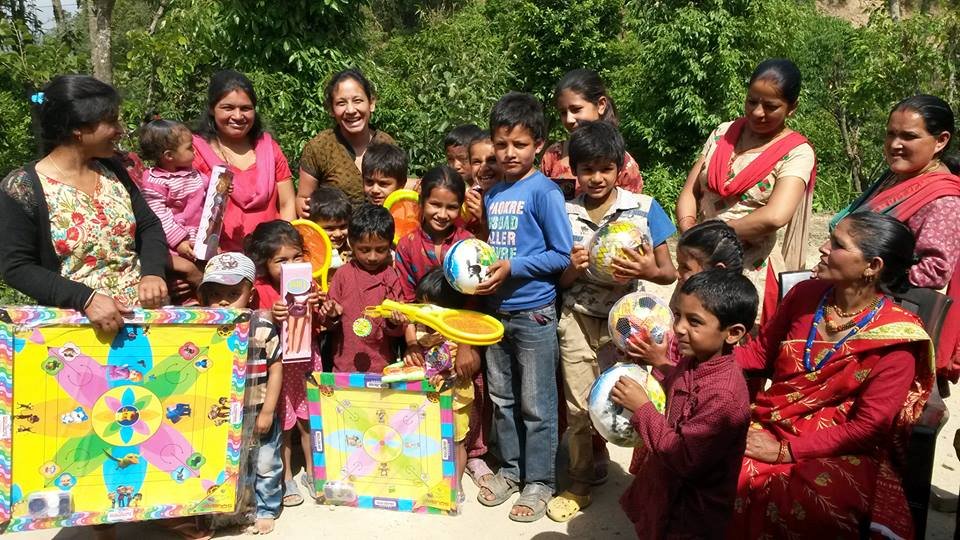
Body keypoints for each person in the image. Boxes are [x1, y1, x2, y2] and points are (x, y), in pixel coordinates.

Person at [729, 212, 934, 539]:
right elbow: (758, 354)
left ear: (873, 266)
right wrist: (698, 356)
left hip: (840, 448)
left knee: (811, 504)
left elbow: (868, 429)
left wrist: (784, 452)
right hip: (772, 419)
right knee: (706, 454)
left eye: (838, 244)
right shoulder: (806, 296)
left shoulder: (897, 339)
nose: (823, 248)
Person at [548, 120, 676, 523]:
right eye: (588, 169)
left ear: (620, 167)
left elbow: (668, 272)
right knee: (578, 405)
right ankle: (581, 481)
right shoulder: (563, 211)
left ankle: (647, 477)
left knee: (634, 399)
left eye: (605, 168)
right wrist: (571, 268)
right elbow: (559, 278)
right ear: (575, 170)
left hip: (627, 323)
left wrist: (645, 268)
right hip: (577, 319)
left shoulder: (644, 208)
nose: (596, 177)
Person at [0, 75, 168, 333]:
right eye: (111, 121)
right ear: (78, 128)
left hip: (143, 325)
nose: (120, 130)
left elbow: (149, 226)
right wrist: (84, 298)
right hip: (75, 334)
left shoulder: (114, 170)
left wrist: (153, 272)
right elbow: (16, 267)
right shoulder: (23, 187)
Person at [474, 92, 573, 522]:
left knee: (537, 402)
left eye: (519, 144)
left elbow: (562, 254)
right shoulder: (493, 195)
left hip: (533, 313)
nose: (509, 152)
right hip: (496, 314)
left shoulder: (544, 192)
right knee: (503, 399)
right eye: (501, 143)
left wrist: (514, 265)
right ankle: (511, 472)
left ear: (538, 144)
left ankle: (540, 482)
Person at [616, 268, 755, 539]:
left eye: (694, 321)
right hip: (666, 491)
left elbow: (685, 458)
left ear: (733, 333)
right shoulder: (696, 359)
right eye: (678, 315)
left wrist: (643, 408)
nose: (678, 328)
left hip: (690, 513)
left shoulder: (723, 396)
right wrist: (656, 364)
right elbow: (678, 385)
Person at [675, 58, 816, 323]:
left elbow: (775, 216)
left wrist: (713, 238)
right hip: (697, 265)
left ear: (792, 108)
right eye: (752, 101)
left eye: (771, 106)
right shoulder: (724, 133)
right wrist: (690, 233)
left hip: (748, 271)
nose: (757, 113)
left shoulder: (796, 153)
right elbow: (690, 192)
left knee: (733, 347)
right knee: (685, 339)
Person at [831, 95, 960, 382]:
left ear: (940, 141)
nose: (894, 144)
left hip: (883, 321)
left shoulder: (943, 200)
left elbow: (936, 270)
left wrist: (865, 274)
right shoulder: (896, 178)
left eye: (908, 136)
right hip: (851, 305)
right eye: (890, 134)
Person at [393, 165, 494, 489]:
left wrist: (467, 346)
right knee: (428, 392)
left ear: (461, 207)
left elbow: (474, 299)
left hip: (463, 336)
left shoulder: (468, 243)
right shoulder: (408, 245)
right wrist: (411, 343)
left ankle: (474, 454)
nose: (442, 213)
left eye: (452, 206)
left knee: (469, 392)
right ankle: (429, 453)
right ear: (421, 202)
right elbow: (407, 297)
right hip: (424, 339)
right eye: (435, 204)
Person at [199, 253, 283, 536]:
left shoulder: (261, 326)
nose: (224, 301)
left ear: (251, 294)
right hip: (221, 415)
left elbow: (276, 368)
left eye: (234, 293)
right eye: (216, 294)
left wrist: (269, 411)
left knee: (265, 462)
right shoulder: (204, 329)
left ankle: (265, 508)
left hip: (258, 409)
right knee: (225, 463)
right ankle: (222, 511)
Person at [245, 221, 318, 508]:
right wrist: (271, 314)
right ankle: (286, 476)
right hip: (279, 367)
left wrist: (320, 305)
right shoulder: (260, 290)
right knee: (284, 423)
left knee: (308, 420)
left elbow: (319, 322)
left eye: (296, 256)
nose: (291, 264)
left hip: (307, 359)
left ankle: (314, 472)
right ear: (265, 262)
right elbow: (254, 325)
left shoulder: (309, 282)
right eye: (281, 260)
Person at [192, 70, 296, 252]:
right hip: (218, 260)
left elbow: (287, 203)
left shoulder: (269, 149)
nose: (238, 116)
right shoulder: (194, 152)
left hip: (270, 258)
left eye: (245, 108)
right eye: (228, 108)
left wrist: (284, 249)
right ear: (211, 108)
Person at [402, 268, 481, 506]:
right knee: (428, 439)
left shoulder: (460, 332)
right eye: (421, 305)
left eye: (432, 307)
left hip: (455, 398)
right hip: (427, 398)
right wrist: (411, 348)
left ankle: (454, 483)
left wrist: (451, 372)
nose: (426, 312)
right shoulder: (423, 329)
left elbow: (470, 364)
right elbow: (409, 322)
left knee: (455, 441)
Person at [319, 204, 406, 373]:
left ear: (390, 244)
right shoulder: (343, 274)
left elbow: (397, 331)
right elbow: (328, 324)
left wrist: (394, 322)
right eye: (364, 250)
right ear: (351, 243)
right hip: (344, 367)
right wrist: (332, 313)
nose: (372, 257)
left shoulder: (390, 276)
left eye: (380, 250)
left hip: (382, 368)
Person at [298, 69, 396, 210]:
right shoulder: (319, 147)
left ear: (371, 103)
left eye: (357, 101)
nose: (350, 110)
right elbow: (303, 198)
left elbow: (399, 187)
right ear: (331, 109)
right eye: (341, 103)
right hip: (335, 231)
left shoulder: (387, 143)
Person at [541, 69, 644, 197]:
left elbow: (633, 213)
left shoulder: (622, 162)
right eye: (563, 112)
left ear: (601, 105)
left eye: (576, 109)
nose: (569, 119)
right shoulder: (553, 156)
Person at [139, 119, 206, 300]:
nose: (194, 151)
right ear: (169, 156)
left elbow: (210, 189)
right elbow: (160, 216)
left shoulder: (192, 173)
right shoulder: (154, 182)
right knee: (180, 289)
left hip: (199, 241)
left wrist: (222, 187)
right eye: (189, 148)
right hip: (175, 247)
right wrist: (179, 242)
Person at [307, 185, 353, 274]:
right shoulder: (308, 253)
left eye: (343, 226)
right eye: (329, 228)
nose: (338, 234)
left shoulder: (353, 249)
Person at [463, 131, 500, 236]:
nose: (484, 168)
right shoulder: (470, 198)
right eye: (477, 162)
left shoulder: (513, 198)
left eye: (492, 160)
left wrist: (483, 218)